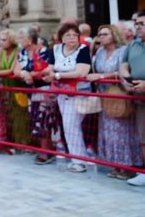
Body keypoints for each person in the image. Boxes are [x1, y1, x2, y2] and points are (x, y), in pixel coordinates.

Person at [87, 24, 141, 179]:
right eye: (100, 34)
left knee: (122, 131)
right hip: (105, 97)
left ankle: (127, 166)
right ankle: (116, 165)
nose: (101, 37)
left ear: (114, 35)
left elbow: (125, 71)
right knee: (108, 132)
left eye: (105, 34)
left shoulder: (123, 51)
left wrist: (103, 76)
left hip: (119, 96)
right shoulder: (99, 52)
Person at [43, 22, 92, 173]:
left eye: (75, 34)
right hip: (61, 93)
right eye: (68, 35)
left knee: (71, 125)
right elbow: (50, 67)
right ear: (61, 38)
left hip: (78, 93)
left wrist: (57, 75)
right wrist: (43, 73)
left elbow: (81, 72)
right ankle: (77, 159)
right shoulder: (56, 49)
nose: (72, 37)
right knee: (69, 126)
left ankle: (80, 161)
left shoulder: (83, 50)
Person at [15, 27, 57, 165]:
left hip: (44, 88)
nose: (19, 40)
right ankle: (45, 149)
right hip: (31, 90)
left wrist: (32, 74)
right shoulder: (22, 52)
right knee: (35, 118)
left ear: (30, 38)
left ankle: (46, 152)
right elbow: (17, 69)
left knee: (43, 119)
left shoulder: (45, 51)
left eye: (21, 37)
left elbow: (49, 68)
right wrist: (24, 74)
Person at [0, 29, 31, 147]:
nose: (1, 42)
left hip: (18, 88)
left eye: (4, 40)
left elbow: (13, 70)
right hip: (6, 87)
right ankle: (12, 141)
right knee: (8, 114)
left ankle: (23, 143)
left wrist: (4, 72)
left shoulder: (17, 51)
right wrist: (6, 72)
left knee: (20, 115)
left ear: (11, 40)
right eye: (0, 39)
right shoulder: (1, 52)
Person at [121, 10, 145, 186]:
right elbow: (123, 64)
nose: (138, 27)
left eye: (142, 24)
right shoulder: (132, 45)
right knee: (143, 136)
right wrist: (125, 78)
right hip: (139, 98)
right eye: (137, 24)